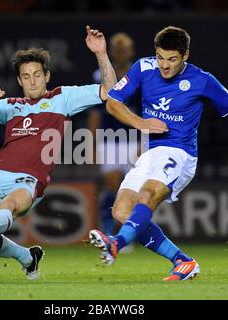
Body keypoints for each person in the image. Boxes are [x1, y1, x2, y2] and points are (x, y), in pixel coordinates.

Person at [88, 26, 228, 281]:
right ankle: (183, 262)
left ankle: (116, 244)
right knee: (121, 212)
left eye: (172, 59)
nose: (164, 65)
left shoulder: (202, 80)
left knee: (146, 195)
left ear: (185, 55)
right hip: (150, 154)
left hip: (180, 154)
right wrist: (139, 122)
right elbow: (112, 102)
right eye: (161, 57)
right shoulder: (143, 68)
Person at [0, 25, 116, 280]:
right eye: (26, 76)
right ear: (19, 80)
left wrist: (101, 53)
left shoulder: (63, 98)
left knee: (10, 205)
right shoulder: (10, 106)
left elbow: (109, 91)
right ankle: (27, 257)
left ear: (47, 76)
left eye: (37, 75)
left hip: (29, 179)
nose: (32, 81)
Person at [88, 32, 141, 237]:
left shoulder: (140, 75)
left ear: (131, 51)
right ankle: (110, 231)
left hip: (134, 139)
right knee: (112, 187)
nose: (120, 53)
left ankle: (127, 234)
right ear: (110, 52)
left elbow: (146, 110)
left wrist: (145, 141)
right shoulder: (99, 75)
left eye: (124, 49)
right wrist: (91, 145)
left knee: (133, 189)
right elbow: (94, 113)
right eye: (117, 49)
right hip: (110, 140)